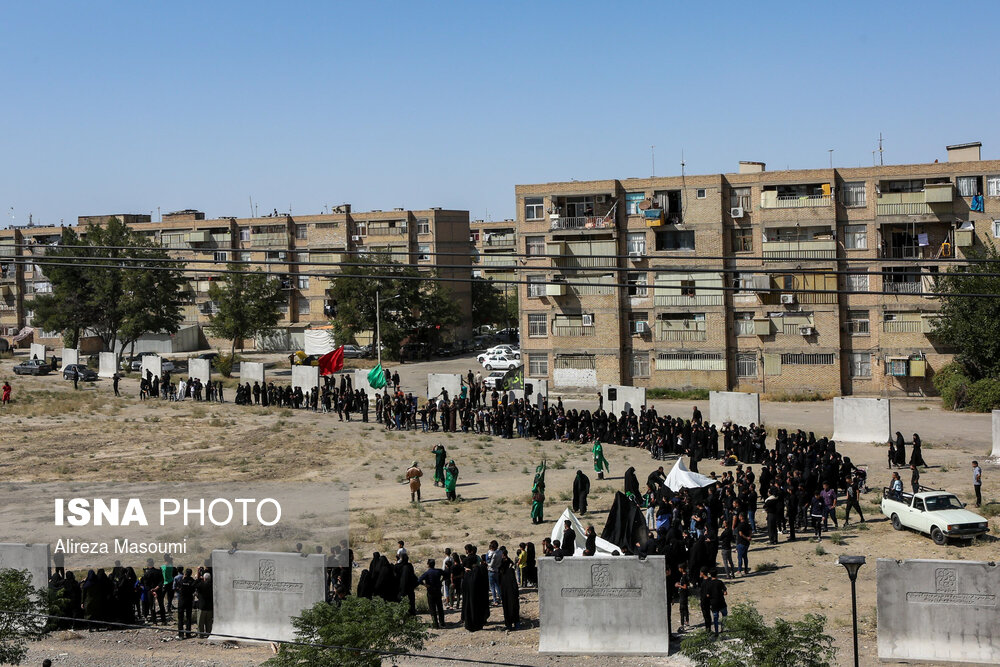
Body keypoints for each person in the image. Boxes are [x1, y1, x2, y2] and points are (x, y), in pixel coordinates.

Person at [417, 559, 446, 628]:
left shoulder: (427, 573)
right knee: (440, 607)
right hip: (438, 591)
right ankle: (442, 623)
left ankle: (435, 624)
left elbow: (419, 580)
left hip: (430, 592)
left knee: (432, 608)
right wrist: (441, 580)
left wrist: (425, 585)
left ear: (428, 565)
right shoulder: (439, 571)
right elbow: (446, 574)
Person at [498, 553, 520, 630]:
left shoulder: (501, 573)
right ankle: (517, 624)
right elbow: (514, 583)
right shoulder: (511, 571)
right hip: (512, 592)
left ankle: (509, 625)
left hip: (505, 593)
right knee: (514, 607)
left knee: (507, 608)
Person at [176, 569, 196, 639]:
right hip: (189, 600)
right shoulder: (192, 581)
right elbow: (194, 589)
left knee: (180, 618)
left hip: (181, 600)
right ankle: (188, 633)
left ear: (185, 573)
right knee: (188, 617)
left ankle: (181, 634)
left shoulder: (181, 580)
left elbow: (177, 587)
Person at [707, 570, 728, 636]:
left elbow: (707, 595)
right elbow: (725, 592)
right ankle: (723, 629)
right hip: (721, 602)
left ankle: (716, 632)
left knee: (715, 618)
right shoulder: (720, 582)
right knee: (724, 616)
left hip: (714, 603)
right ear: (717, 575)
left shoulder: (709, 584)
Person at [675, 563, 691, 630]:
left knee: (682, 609)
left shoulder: (684, 577)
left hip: (683, 595)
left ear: (681, 569)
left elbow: (684, 587)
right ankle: (687, 621)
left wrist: (678, 586)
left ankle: (682, 624)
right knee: (685, 609)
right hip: (684, 595)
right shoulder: (685, 575)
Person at [196, 572, 213, 637]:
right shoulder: (212, 585)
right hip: (209, 606)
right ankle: (209, 633)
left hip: (202, 606)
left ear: (204, 578)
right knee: (209, 622)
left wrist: (198, 578)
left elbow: (194, 584)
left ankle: (200, 634)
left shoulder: (201, 585)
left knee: (200, 622)